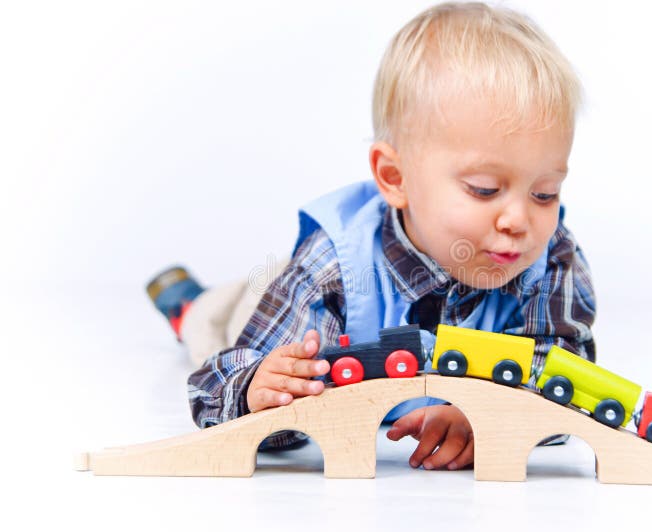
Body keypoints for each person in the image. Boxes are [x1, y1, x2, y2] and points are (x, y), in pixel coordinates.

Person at [148, 1, 596, 471]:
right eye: (485, 189)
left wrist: (490, 417)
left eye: (545, 193)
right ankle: (188, 304)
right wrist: (257, 389)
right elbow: (215, 388)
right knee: (215, 322)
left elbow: (568, 378)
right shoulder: (330, 267)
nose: (519, 220)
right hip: (289, 297)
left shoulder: (551, 257)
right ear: (395, 178)